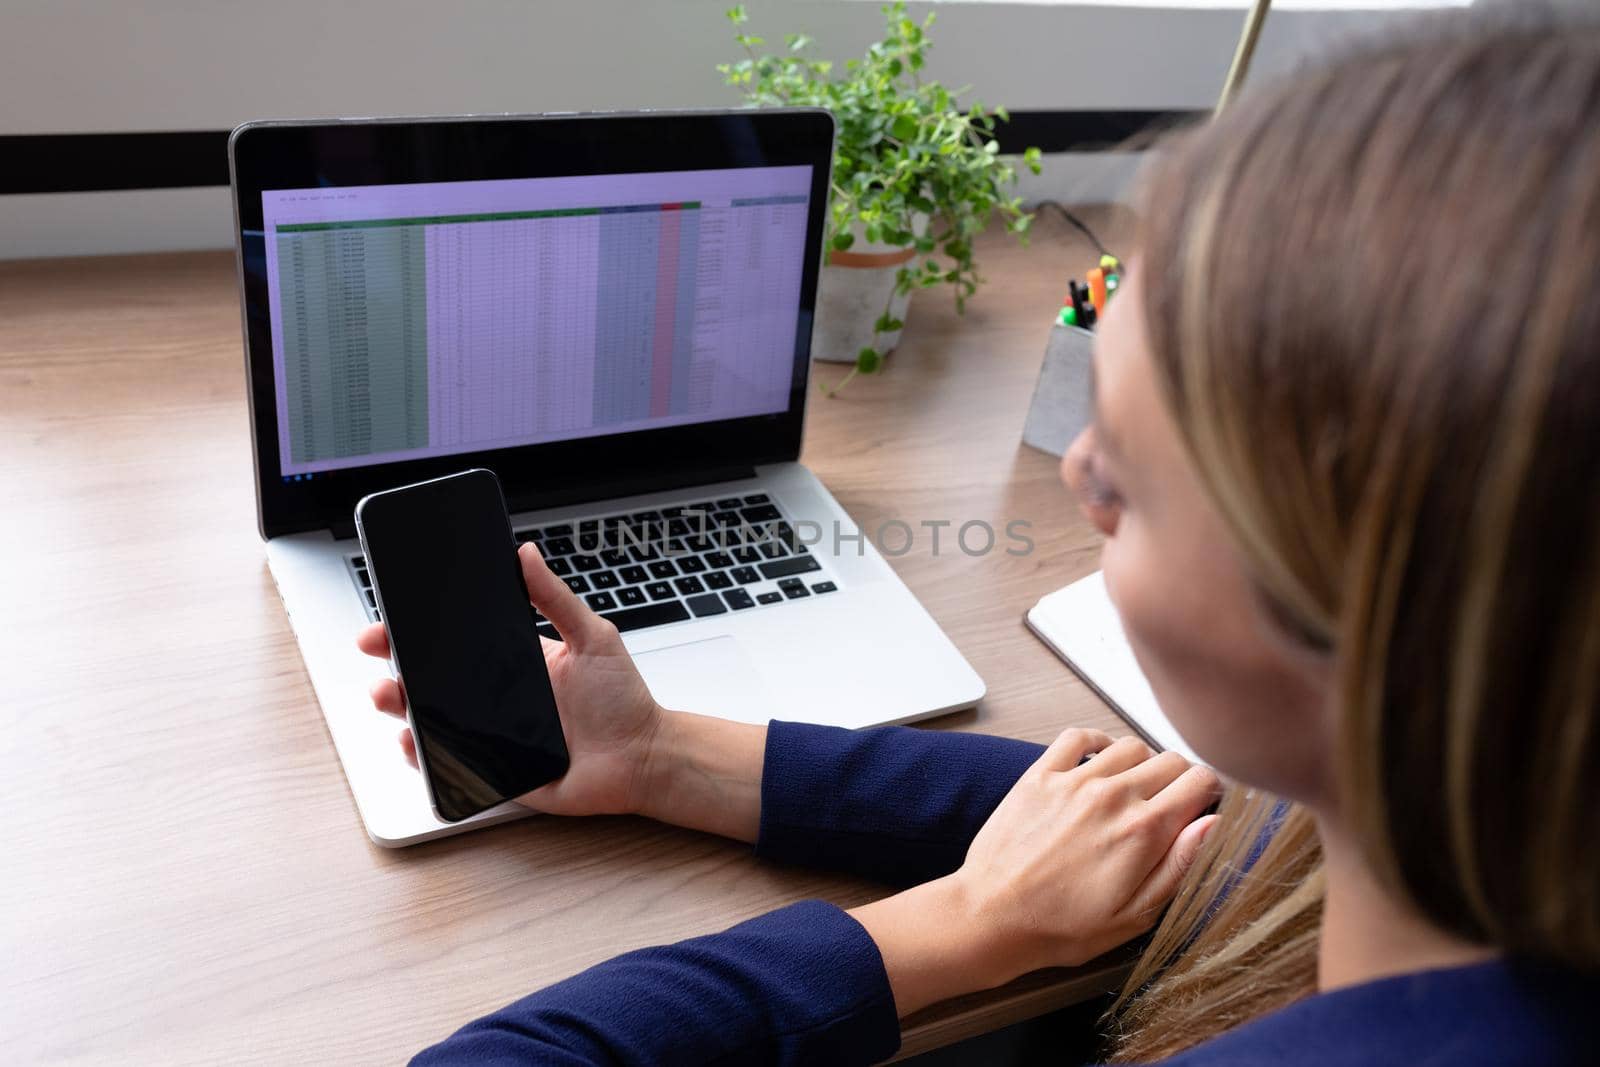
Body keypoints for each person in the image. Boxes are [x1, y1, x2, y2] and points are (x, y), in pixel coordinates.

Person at [356, 13, 1600, 1065]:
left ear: (1363, 609)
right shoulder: (1480, 817)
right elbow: (1172, 816)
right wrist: (664, 752)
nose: (1077, 472)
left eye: (1134, 476)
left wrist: (956, 927)